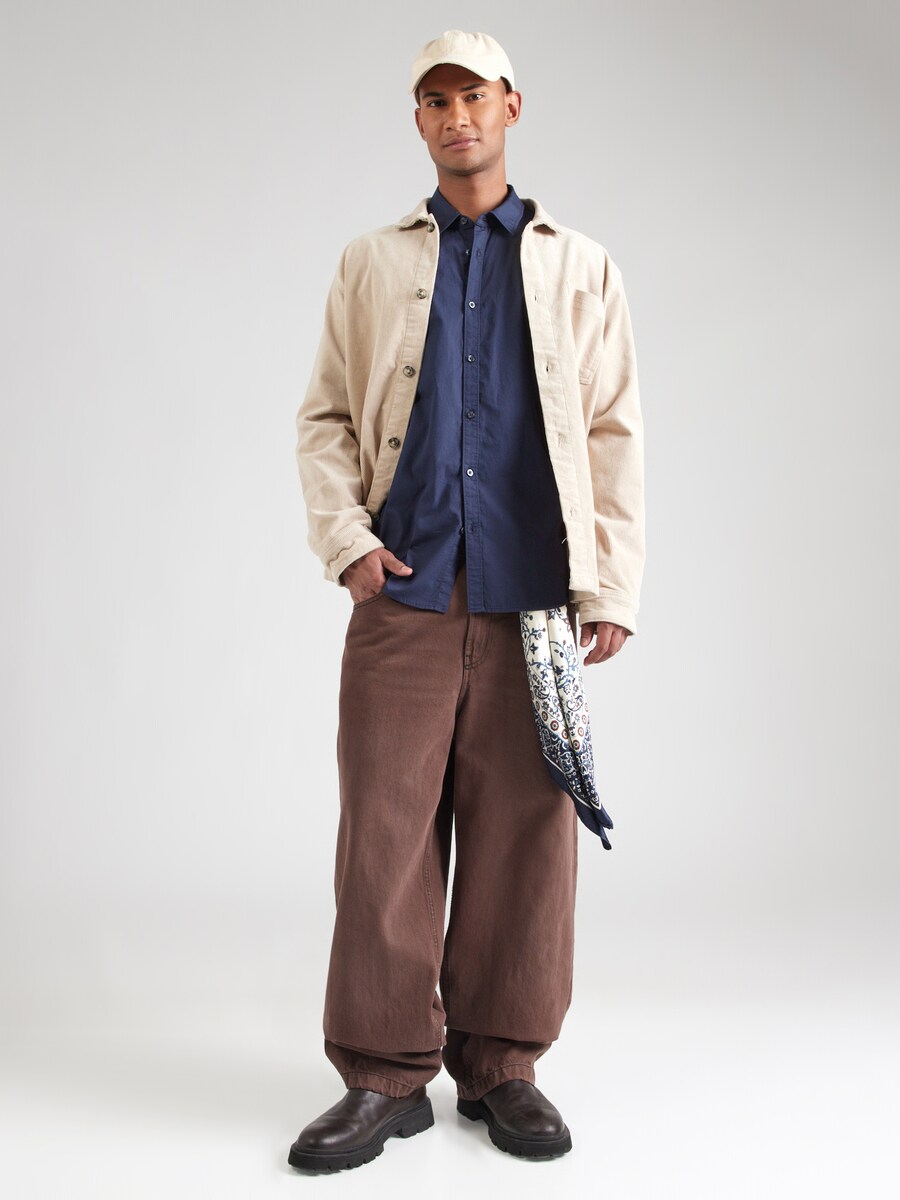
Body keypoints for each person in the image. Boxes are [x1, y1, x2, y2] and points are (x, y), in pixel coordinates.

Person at [288, 29, 645, 1173]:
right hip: (405, 591)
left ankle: (502, 1066)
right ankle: (385, 1077)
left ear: (510, 107)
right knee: (384, 836)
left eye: (474, 97)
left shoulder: (580, 266)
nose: (456, 118)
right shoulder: (372, 262)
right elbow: (325, 417)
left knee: (528, 838)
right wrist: (348, 544)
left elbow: (612, 430)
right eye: (435, 102)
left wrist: (613, 582)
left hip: (533, 594)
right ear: (419, 120)